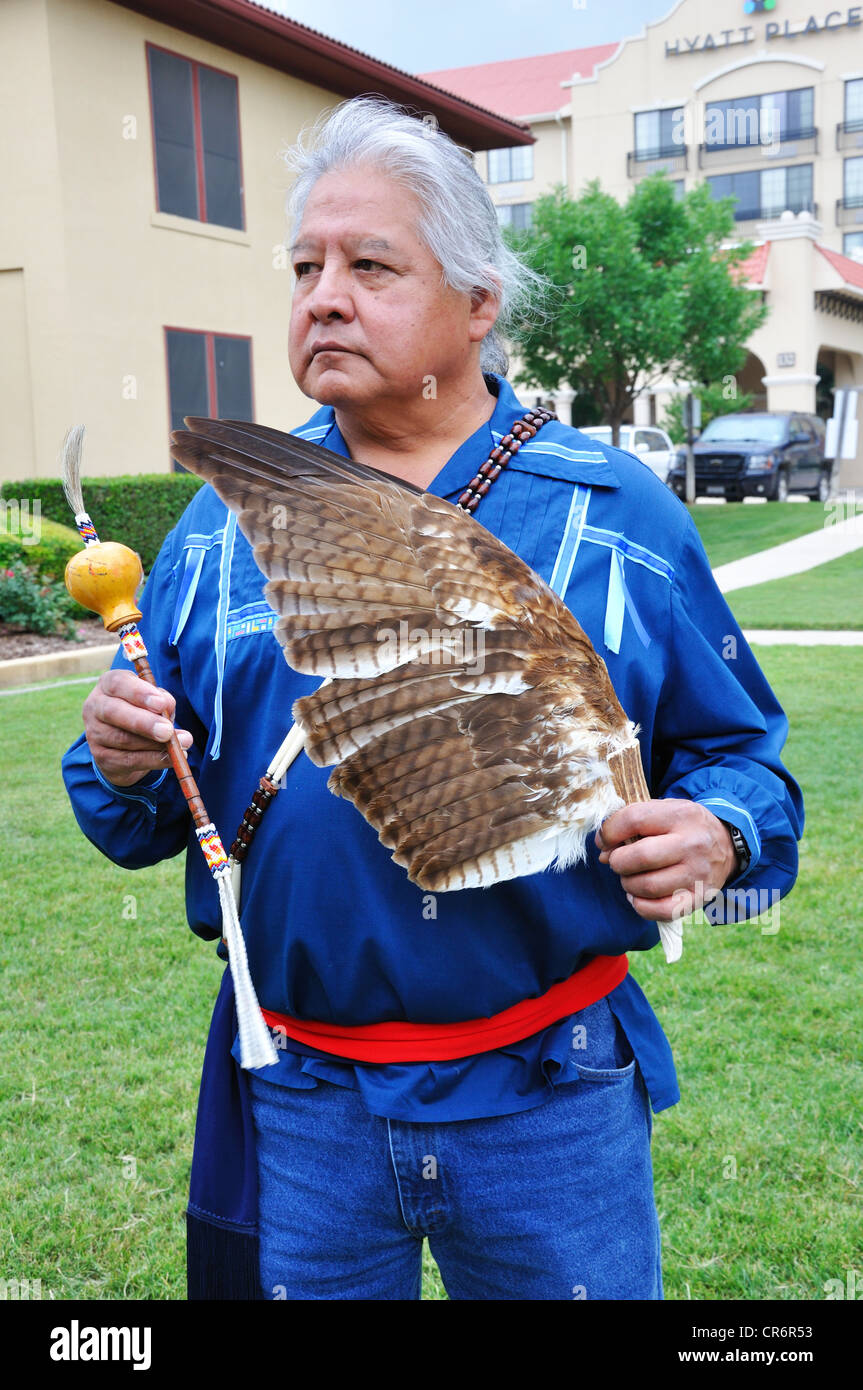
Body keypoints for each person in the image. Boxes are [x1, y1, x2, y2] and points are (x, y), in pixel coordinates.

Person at [62, 97, 803, 1301]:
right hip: (301, 1098)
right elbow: (137, 821)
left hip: (547, 1095)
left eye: (369, 264)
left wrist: (719, 832)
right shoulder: (220, 527)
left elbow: (747, 767)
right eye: (305, 264)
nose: (323, 295)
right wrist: (123, 759)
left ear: (476, 304)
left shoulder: (613, 519)